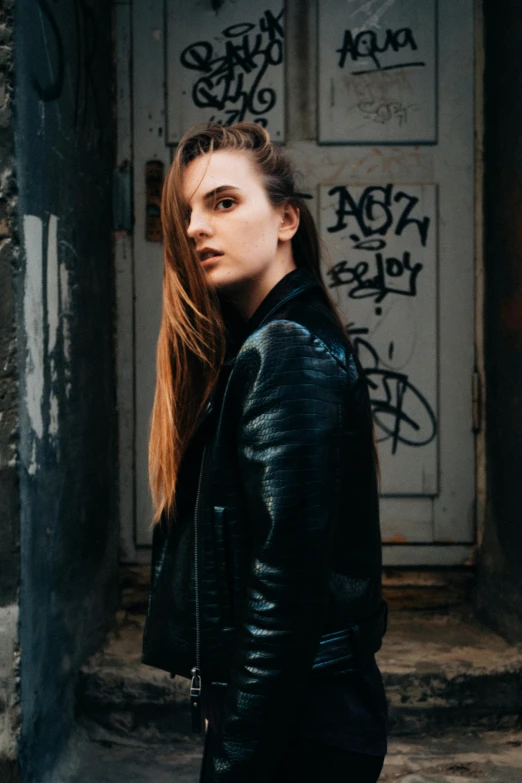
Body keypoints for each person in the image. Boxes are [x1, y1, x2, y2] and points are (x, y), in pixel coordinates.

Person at [141, 121, 388, 783]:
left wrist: (234, 757)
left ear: (286, 219)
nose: (195, 228)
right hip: (303, 716)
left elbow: (285, 588)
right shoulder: (273, 341)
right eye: (188, 211)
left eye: (223, 203)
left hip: (303, 727)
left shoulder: (283, 350)